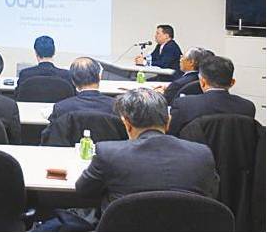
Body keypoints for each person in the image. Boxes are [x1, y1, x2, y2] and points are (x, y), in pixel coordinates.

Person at [37, 88, 219, 231]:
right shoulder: (202, 154)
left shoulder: (108, 153)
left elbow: (83, 190)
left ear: (126, 123)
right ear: (168, 121)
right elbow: (211, 194)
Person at [168, 56, 256, 135]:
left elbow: (172, 136)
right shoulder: (247, 107)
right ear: (232, 83)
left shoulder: (184, 105)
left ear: (202, 82)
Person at [48, 57, 115, 122]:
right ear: (99, 77)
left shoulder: (61, 108)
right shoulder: (115, 106)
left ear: (73, 81)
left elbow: (53, 129)